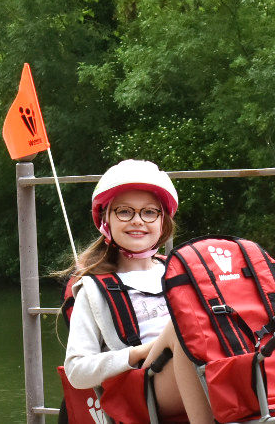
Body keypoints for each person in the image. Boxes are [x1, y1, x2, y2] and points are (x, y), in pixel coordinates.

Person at [59, 160, 213, 424]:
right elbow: (76, 370)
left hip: (201, 364)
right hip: (145, 383)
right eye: (125, 212)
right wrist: (139, 352)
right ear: (106, 219)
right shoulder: (92, 288)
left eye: (149, 212)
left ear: (163, 220)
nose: (138, 221)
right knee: (181, 330)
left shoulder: (182, 272)